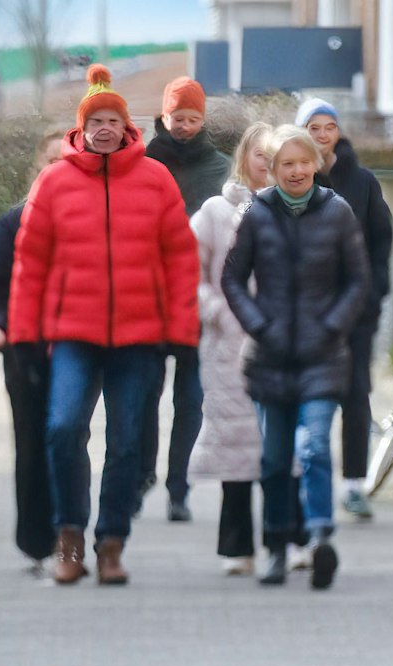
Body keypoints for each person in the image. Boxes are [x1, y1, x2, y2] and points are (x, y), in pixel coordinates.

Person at [8, 64, 199, 586]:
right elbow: (30, 262)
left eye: (115, 119)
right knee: (63, 427)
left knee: (126, 442)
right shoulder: (54, 182)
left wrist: (182, 331)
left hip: (140, 337)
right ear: (83, 128)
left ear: (128, 127)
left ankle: (111, 542)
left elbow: (181, 258)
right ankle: (69, 537)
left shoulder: (156, 179)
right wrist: (24, 335)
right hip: (72, 333)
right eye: (97, 121)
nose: (106, 128)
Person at [222, 125, 370, 589]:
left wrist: (332, 326)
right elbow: (231, 278)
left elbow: (358, 282)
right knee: (274, 461)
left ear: (316, 164)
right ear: (272, 169)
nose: (298, 170)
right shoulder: (256, 213)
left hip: (323, 356)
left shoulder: (338, 212)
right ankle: (277, 549)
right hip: (270, 357)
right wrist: (258, 325)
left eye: (304, 161)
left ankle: (321, 536)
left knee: (315, 447)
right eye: (287, 164)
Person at [0, 129, 67, 569]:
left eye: (67, 160)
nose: (57, 169)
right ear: (36, 169)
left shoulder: (92, 221)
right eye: (50, 160)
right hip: (23, 350)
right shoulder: (15, 222)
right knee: (31, 443)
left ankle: (72, 530)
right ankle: (38, 540)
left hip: (76, 347)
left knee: (67, 438)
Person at [189, 123, 277, 576]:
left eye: (274, 153)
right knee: (235, 446)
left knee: (286, 447)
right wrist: (218, 313)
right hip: (228, 347)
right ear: (244, 158)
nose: (265, 162)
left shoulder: (301, 210)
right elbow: (191, 269)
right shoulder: (215, 212)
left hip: (283, 344)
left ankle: (288, 541)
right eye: (258, 154)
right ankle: (236, 547)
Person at [301, 97, 393, 523]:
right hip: (305, 312)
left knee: (355, 392)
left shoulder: (363, 181)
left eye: (328, 126)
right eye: (314, 127)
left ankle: (354, 483)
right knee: (304, 395)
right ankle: (303, 478)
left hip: (356, 310)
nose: (322, 134)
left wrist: (373, 295)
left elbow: (382, 239)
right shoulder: (293, 176)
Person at [142, 76, 229, 523]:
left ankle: (180, 488)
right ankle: (140, 475)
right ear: (164, 115)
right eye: (178, 117)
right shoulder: (142, 161)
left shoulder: (220, 168)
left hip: (197, 297)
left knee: (190, 399)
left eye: (193, 118)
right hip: (150, 296)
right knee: (143, 395)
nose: (185, 126)